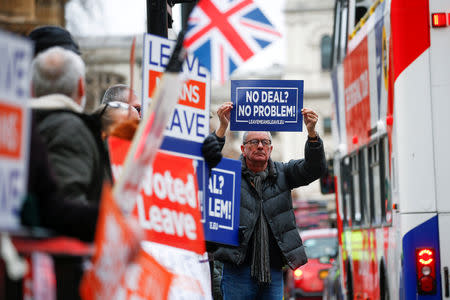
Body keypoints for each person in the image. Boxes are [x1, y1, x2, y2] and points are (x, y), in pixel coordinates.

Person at [202, 102, 326, 300]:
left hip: (273, 272)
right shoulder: (229, 174)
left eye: (264, 142)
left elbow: (314, 169)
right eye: (254, 142)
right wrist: (222, 127)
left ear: (271, 148)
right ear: (243, 148)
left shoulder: (284, 173)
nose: (260, 146)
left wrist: (312, 135)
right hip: (237, 271)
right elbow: (205, 165)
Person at [30, 46, 111, 206]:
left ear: (31, 88)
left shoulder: (21, 124)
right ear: (81, 87)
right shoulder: (70, 129)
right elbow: (68, 205)